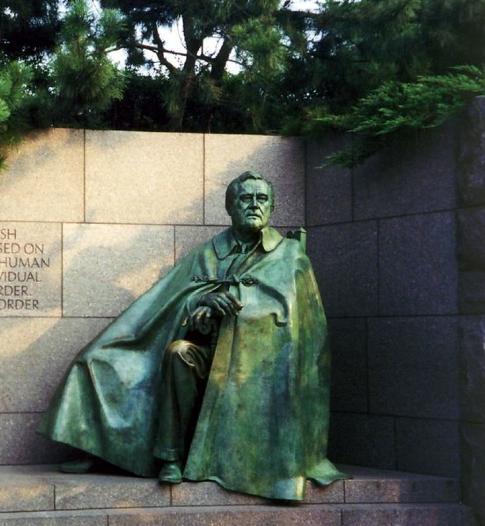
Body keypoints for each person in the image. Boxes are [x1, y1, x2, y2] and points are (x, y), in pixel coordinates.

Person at [36, 171, 347, 501]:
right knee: (144, 355)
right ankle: (152, 453)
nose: (254, 205)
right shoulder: (207, 254)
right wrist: (199, 303)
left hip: (257, 366)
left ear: (272, 206)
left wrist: (237, 306)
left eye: (262, 199)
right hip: (206, 353)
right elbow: (171, 299)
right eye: (245, 199)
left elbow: (297, 324)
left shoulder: (289, 256)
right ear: (229, 207)